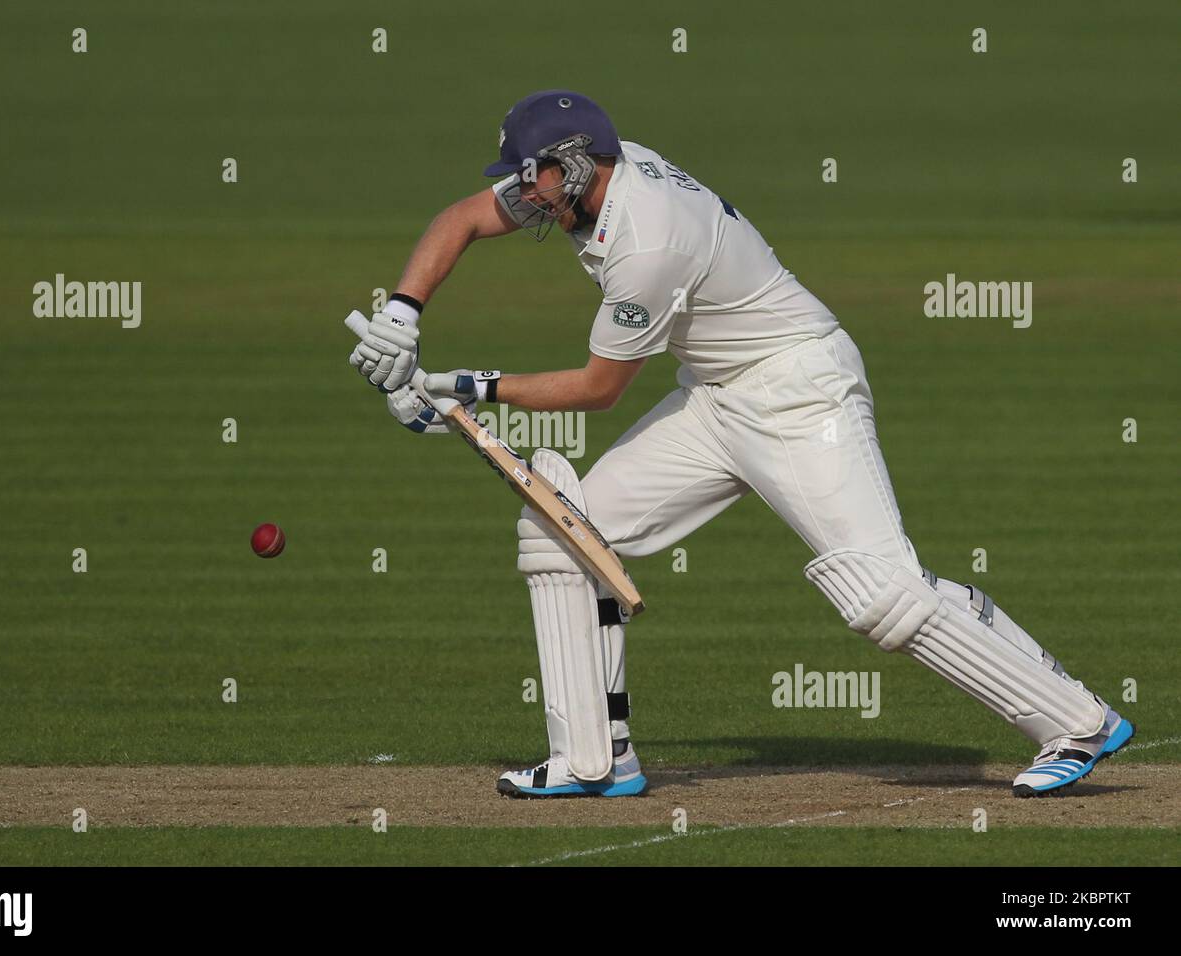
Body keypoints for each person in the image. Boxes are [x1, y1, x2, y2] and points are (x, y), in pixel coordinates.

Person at [347, 90, 1134, 799]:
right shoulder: (589, 179)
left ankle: (1079, 722)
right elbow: (462, 219)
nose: (524, 193)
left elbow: (598, 390)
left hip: (799, 390)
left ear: (575, 166)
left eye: (534, 177)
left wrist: (456, 387)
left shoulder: (647, 243)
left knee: (878, 591)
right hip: (715, 397)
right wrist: (402, 316)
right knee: (563, 530)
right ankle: (592, 760)